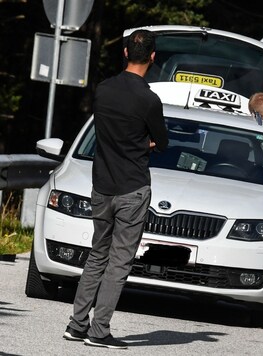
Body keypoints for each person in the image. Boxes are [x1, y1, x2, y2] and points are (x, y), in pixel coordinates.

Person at [63, 29, 168, 349]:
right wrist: (144, 142)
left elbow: (107, 130)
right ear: (152, 57)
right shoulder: (150, 99)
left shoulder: (103, 90)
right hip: (132, 188)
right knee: (119, 261)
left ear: (124, 52)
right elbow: (161, 143)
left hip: (102, 185)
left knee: (97, 255)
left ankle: (77, 324)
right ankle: (99, 330)